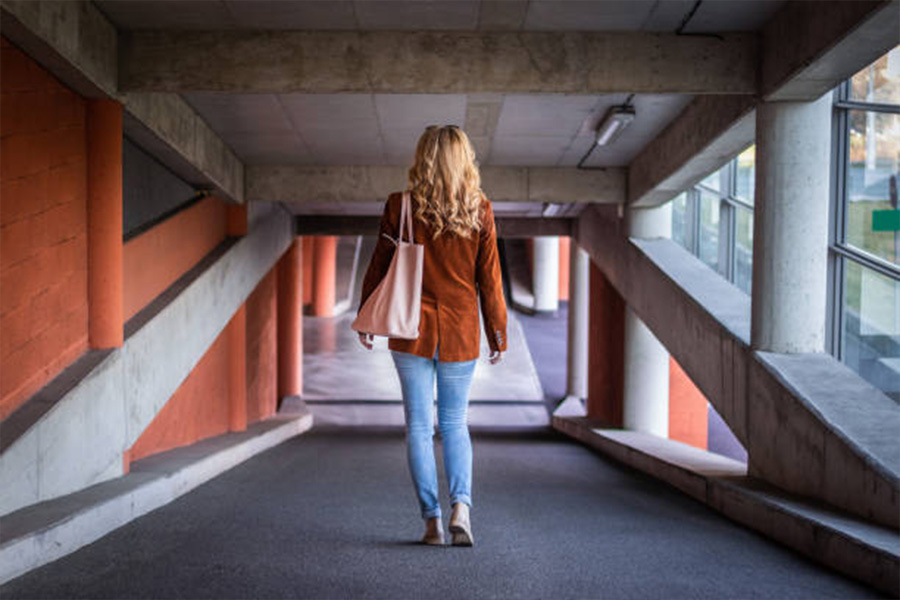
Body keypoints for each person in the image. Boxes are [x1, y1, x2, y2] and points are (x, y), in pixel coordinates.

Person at [355, 124, 508, 547]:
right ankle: (462, 506)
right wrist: (497, 332)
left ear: (422, 158)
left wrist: (367, 317)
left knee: (419, 428)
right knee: (456, 423)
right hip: (460, 331)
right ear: (465, 160)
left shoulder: (400, 206)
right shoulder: (480, 210)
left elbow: (380, 266)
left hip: (410, 330)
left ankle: (432, 522)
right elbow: (490, 280)